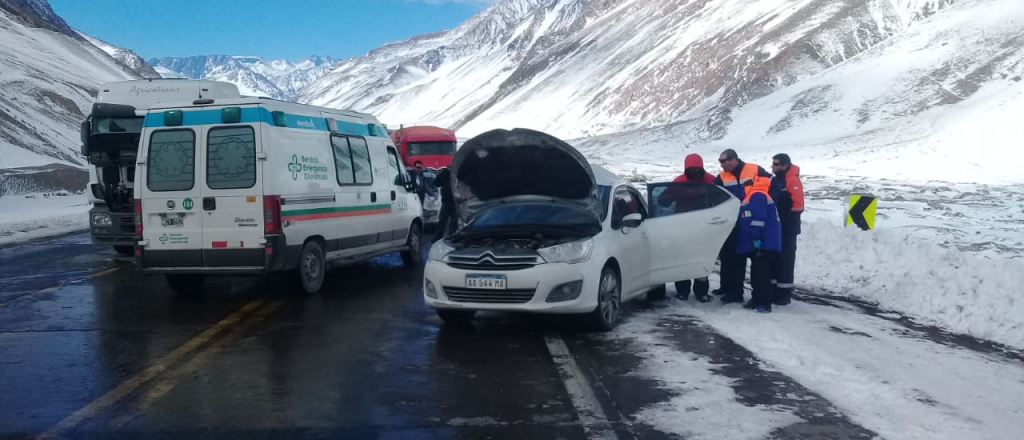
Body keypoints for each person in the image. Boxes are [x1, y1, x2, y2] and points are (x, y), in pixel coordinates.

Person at [713, 149, 772, 304]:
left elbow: (769, 190)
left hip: (754, 223)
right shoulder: (721, 177)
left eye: (724, 161)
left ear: (734, 159)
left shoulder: (755, 170)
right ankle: (734, 293)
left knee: (758, 264)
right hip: (734, 224)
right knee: (733, 261)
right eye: (720, 161)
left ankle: (759, 297)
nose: (722, 165)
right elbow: (715, 197)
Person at [657, 154, 716, 302]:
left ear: (702, 167)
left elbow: (722, 199)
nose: (695, 172)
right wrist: (667, 197)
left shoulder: (711, 181)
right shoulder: (679, 182)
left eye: (697, 169)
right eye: (691, 169)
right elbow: (662, 200)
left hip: (704, 226)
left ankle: (701, 292)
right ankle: (682, 291)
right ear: (686, 169)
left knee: (702, 260)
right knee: (682, 259)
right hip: (683, 225)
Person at [736, 178, 782, 313]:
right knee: (756, 273)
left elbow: (758, 218)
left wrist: (756, 237)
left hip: (763, 243)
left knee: (762, 274)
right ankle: (756, 299)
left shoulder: (757, 195)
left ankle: (764, 302)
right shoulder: (755, 194)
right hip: (762, 243)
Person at [769, 154, 804, 306]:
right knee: (775, 259)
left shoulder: (793, 180)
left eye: (776, 164)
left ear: (784, 165)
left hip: (788, 228)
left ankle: (784, 294)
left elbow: (798, 206)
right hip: (776, 226)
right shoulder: (776, 180)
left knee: (786, 260)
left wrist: (783, 207)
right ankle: (773, 290)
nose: (773, 166)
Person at [434, 167, 458, 240]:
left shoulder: (458, 174)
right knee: (442, 220)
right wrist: (444, 173)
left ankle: (452, 236)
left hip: (455, 202)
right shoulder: (446, 175)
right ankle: (439, 236)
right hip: (447, 201)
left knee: (454, 221)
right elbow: (436, 182)